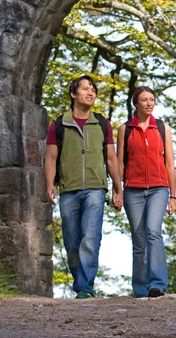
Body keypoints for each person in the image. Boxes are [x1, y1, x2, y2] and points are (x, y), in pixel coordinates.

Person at [45, 75, 123, 299]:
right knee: (72, 243)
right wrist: (50, 183)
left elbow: (110, 158)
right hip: (68, 189)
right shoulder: (59, 124)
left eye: (93, 89)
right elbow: (51, 158)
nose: (90, 93)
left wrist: (118, 188)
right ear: (73, 94)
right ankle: (81, 281)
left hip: (95, 189)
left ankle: (84, 288)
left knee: (90, 237)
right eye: (85, 89)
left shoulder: (101, 123)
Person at [117, 86, 176, 299]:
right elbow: (119, 163)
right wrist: (118, 190)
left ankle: (157, 285)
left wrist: (173, 196)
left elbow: (170, 163)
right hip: (132, 190)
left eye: (152, 99)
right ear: (136, 103)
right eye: (144, 100)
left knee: (153, 231)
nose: (149, 103)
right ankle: (140, 289)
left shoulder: (162, 128)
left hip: (159, 189)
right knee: (138, 238)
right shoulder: (125, 129)